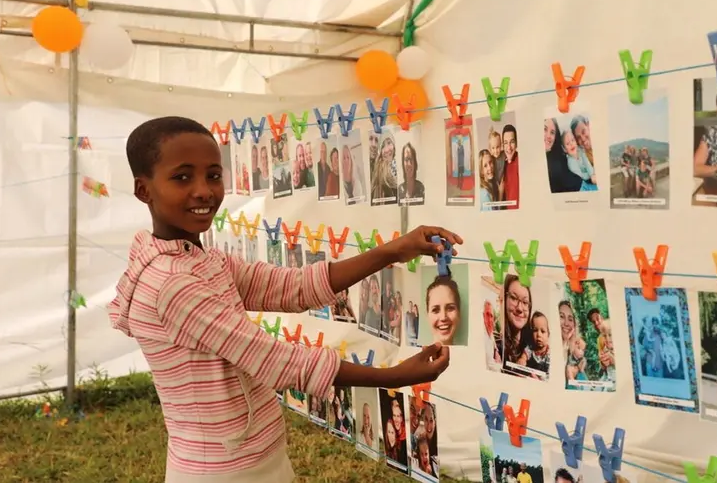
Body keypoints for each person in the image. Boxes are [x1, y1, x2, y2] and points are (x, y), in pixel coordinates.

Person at [108, 116, 461, 483]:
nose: (204, 190)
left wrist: (393, 250)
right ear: (143, 190)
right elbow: (274, 361)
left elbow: (293, 287)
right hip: (222, 470)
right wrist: (396, 376)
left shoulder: (198, 258)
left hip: (253, 452)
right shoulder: (172, 283)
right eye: (182, 177)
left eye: (213, 175)